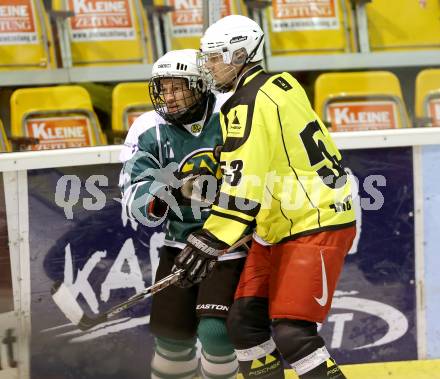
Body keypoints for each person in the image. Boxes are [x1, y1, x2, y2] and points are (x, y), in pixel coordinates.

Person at [173, 15, 356, 379]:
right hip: (279, 224)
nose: (207, 67)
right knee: (243, 325)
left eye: (212, 58)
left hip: (313, 222)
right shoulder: (281, 84)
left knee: (293, 333)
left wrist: (210, 239)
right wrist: (220, 170)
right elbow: (270, 155)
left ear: (238, 55)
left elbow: (246, 184)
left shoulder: (244, 104)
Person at [119, 49, 246, 379]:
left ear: (201, 85)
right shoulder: (149, 127)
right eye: (163, 88)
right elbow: (133, 188)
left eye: (178, 87)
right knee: (171, 340)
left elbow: (263, 172)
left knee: (216, 334)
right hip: (181, 244)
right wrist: (170, 192)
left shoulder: (232, 113)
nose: (169, 97)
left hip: (231, 243)